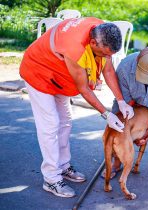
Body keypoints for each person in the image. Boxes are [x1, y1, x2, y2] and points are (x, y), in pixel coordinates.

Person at [19, 17, 134, 198]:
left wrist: (121, 101)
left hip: (59, 76)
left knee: (65, 121)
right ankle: (51, 178)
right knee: (50, 125)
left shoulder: (102, 31)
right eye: (104, 54)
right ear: (93, 42)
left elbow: (108, 70)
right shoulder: (75, 48)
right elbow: (83, 89)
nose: (106, 58)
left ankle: (63, 166)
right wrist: (106, 114)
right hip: (38, 72)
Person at [102, 45, 148, 183]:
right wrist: (130, 128)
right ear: (137, 60)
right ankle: (117, 162)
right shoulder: (124, 67)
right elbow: (124, 100)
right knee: (118, 127)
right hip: (129, 100)